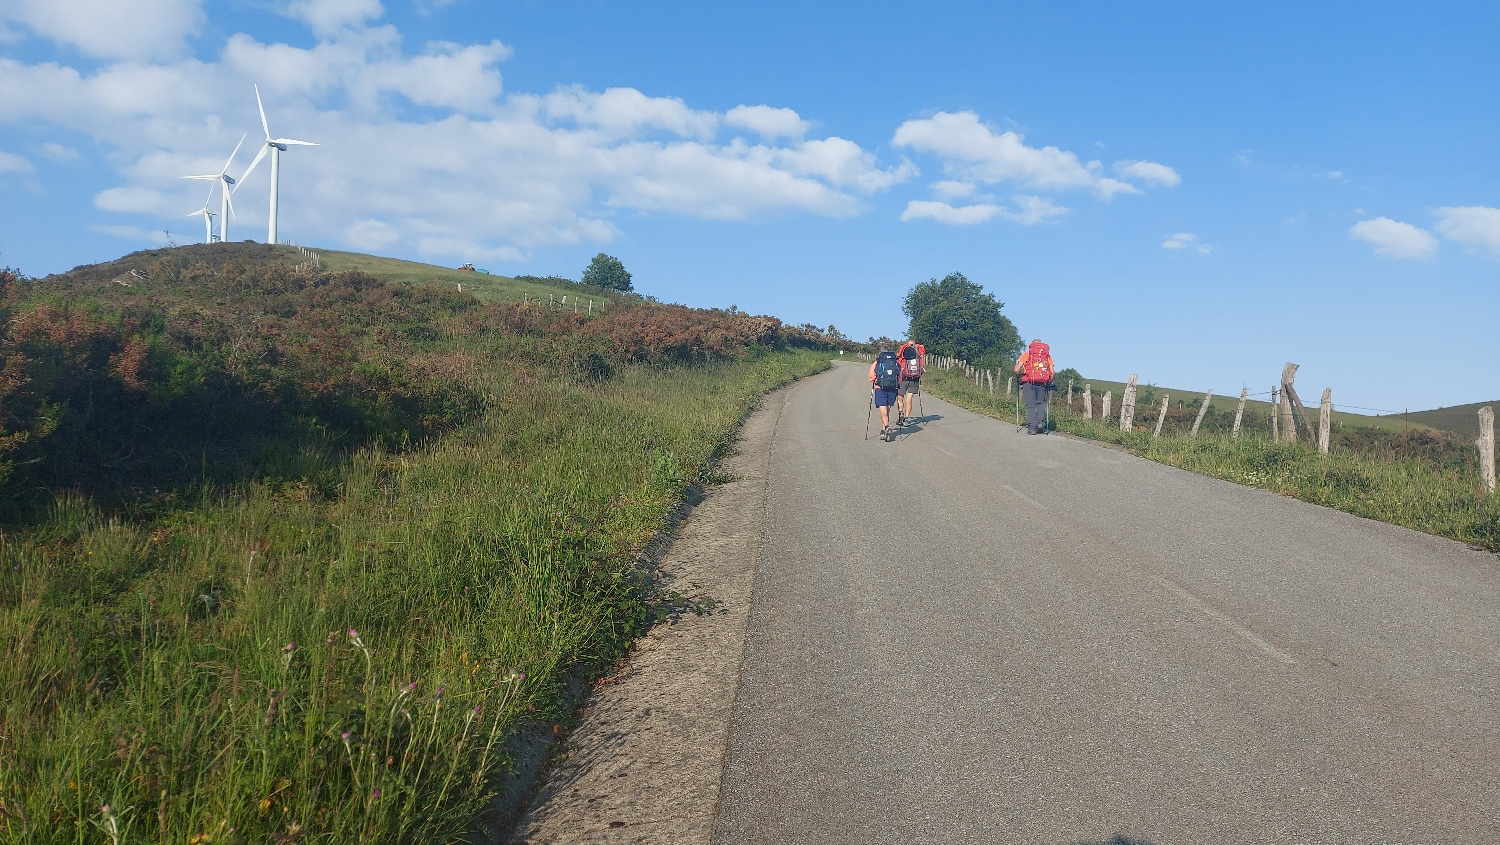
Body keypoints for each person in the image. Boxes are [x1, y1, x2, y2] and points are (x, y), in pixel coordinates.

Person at [1013, 338, 1054, 434]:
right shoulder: (1047, 357)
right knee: (1040, 403)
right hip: (1042, 383)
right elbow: (1052, 372)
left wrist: (1018, 378)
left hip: (1028, 382)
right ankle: (1040, 422)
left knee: (1030, 405)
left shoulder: (1026, 355)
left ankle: (1032, 428)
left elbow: (1016, 370)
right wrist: (1048, 381)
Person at [868, 347, 902, 440]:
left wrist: (875, 380)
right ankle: (883, 431)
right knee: (887, 410)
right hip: (893, 389)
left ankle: (886, 427)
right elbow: (900, 377)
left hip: (880, 388)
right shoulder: (896, 362)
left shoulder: (877, 363)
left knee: (883, 411)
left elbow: (871, 377)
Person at [896, 339, 925, 424]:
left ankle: (901, 413)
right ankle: (907, 418)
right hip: (914, 379)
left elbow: (898, 365)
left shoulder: (903, 353)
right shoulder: (918, 355)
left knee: (900, 397)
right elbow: (922, 368)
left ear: (907, 344)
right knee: (909, 398)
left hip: (903, 379)